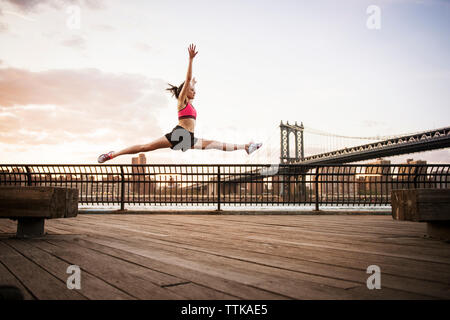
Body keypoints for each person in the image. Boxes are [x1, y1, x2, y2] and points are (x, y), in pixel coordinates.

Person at [98, 44, 262, 163]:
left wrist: (194, 85)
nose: (194, 92)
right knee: (145, 147)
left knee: (216, 145)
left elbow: (191, 85)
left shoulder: (190, 102)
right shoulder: (181, 102)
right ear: (185, 92)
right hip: (178, 134)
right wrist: (190, 61)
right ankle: (112, 154)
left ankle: (247, 147)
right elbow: (187, 80)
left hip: (187, 138)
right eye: (191, 90)